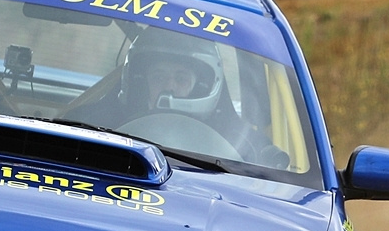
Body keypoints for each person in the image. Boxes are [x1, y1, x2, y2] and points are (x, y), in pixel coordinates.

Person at [67, 27, 285, 166]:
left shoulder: (242, 144)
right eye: (159, 77)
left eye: (181, 79)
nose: (169, 87)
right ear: (140, 83)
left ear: (201, 86)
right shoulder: (93, 126)